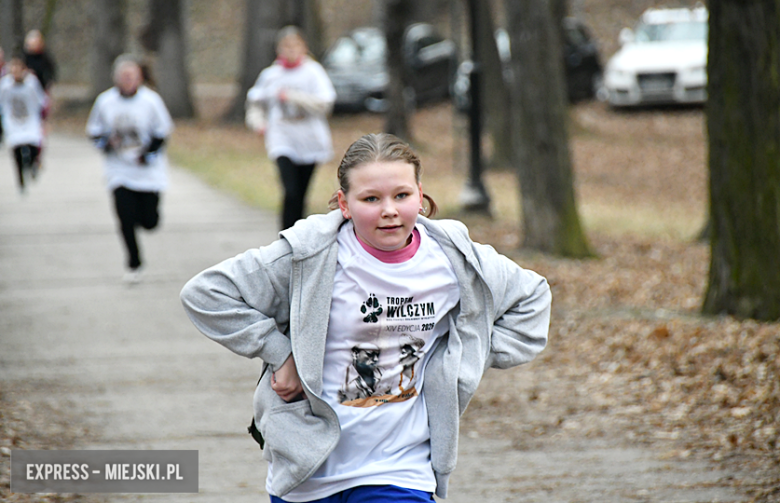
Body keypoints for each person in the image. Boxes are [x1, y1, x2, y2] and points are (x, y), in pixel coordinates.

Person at [180, 133, 552, 502]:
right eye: (371, 198)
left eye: (402, 195)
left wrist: (465, 355)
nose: (389, 210)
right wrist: (282, 354)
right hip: (309, 471)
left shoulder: (453, 260)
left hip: (401, 470)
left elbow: (532, 297)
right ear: (344, 203)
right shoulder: (310, 255)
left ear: (420, 195)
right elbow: (206, 293)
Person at [86, 55, 173, 283]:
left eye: (131, 76)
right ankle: (134, 263)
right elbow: (94, 132)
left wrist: (148, 154)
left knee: (149, 222)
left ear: (139, 77)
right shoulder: (105, 101)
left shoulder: (151, 101)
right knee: (124, 217)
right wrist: (107, 143)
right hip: (119, 170)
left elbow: (163, 131)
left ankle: (143, 217)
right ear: (116, 78)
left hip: (148, 171)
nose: (127, 80)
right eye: (123, 76)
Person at [246, 25, 336, 230]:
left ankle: (299, 233)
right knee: (290, 190)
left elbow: (325, 103)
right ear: (279, 49)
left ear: (304, 47)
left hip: (309, 136)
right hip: (282, 135)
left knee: (302, 192)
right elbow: (255, 103)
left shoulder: (313, 72)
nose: (291, 50)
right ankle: (285, 233)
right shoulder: (271, 75)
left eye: (295, 45)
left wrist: (293, 97)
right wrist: (258, 124)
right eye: (286, 46)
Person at [0, 55, 47, 194]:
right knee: (16, 151)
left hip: (30, 120)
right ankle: (20, 178)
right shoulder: (5, 85)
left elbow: (41, 100)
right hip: (13, 122)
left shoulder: (31, 83)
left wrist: (43, 117)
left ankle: (32, 165)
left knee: (33, 147)